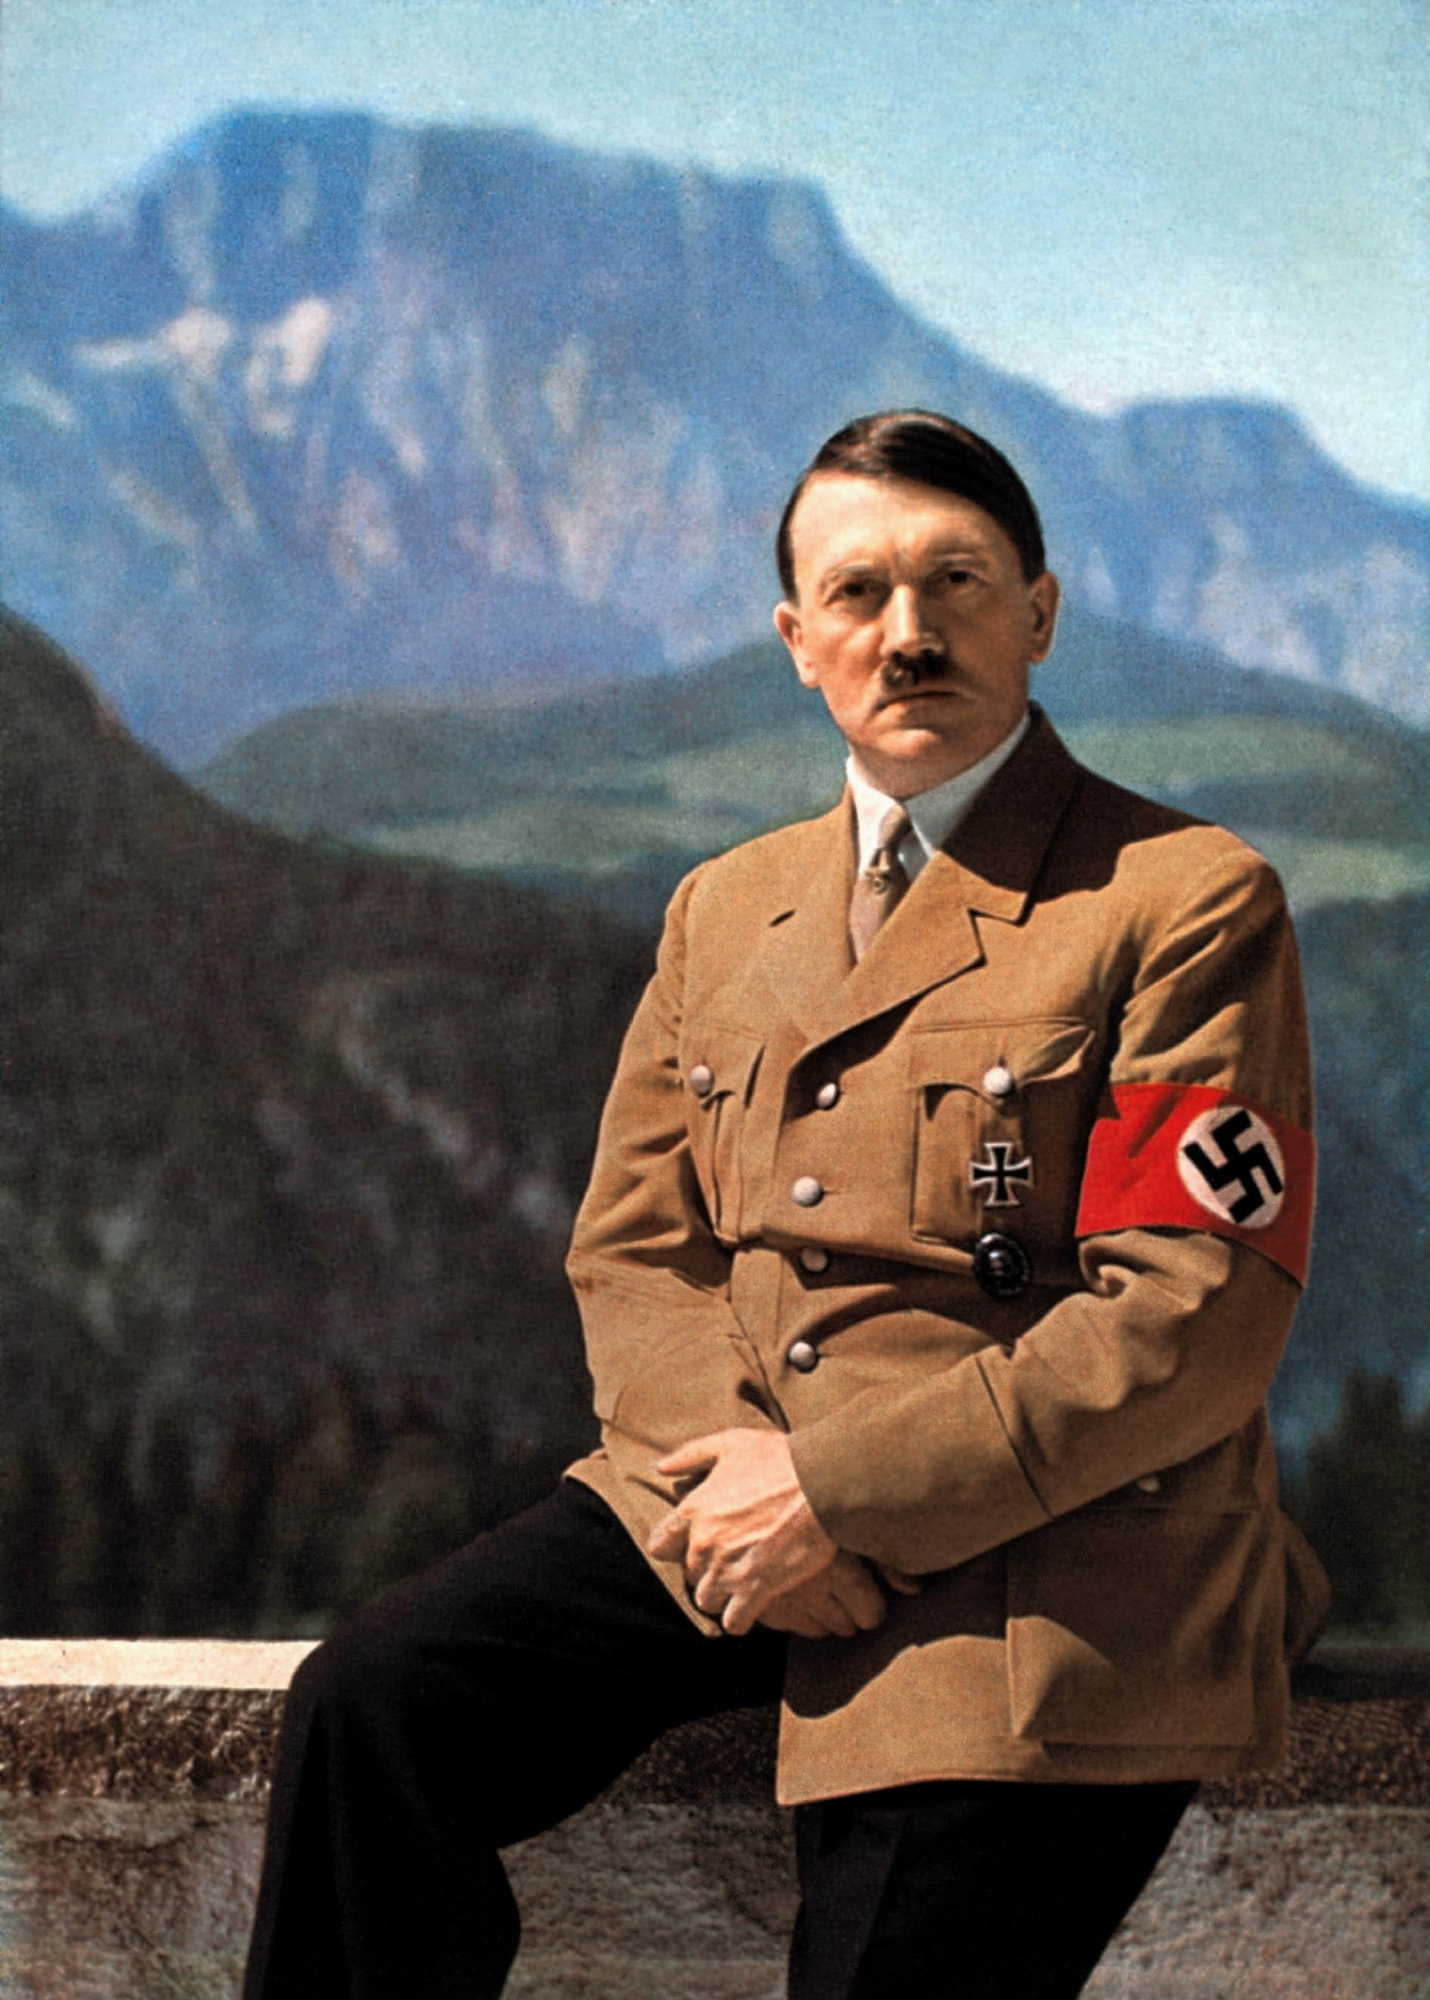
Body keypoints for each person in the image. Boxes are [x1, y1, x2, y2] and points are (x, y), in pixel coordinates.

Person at [244, 410, 1329, 1999]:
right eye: (857, 593)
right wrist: (734, 1489)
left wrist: (837, 1496)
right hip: (727, 1485)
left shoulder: (1178, 896)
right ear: (796, 641)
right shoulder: (724, 908)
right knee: (372, 1712)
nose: (908, 633)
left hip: (1044, 1545)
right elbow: (637, 1250)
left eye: (956, 582)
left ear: (1038, 613)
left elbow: (1192, 1312)